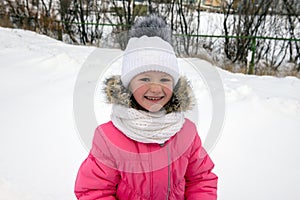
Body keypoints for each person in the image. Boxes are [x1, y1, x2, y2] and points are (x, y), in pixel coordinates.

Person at [74, 15, 218, 200]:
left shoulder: (186, 132)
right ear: (128, 85)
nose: (156, 88)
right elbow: (94, 191)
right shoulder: (109, 138)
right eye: (145, 79)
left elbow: (201, 179)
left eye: (164, 79)